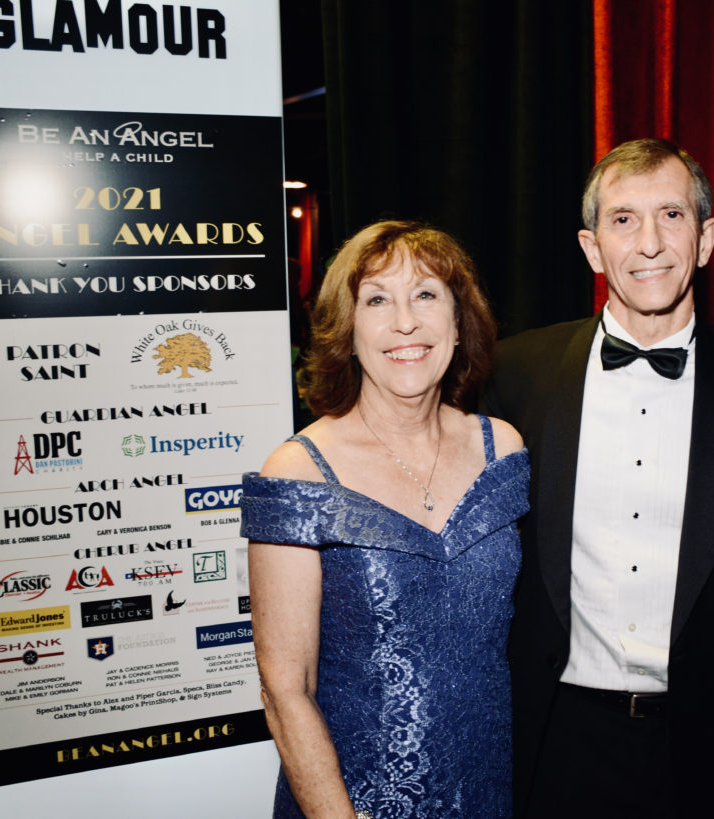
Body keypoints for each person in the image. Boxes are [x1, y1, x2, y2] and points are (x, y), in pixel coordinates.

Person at [482, 139, 714, 818]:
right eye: (623, 220)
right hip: (552, 746)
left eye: (671, 215)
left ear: (706, 239)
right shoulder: (514, 375)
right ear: (592, 248)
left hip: (712, 754)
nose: (649, 243)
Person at [241, 220, 528, 818]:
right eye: (377, 301)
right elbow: (286, 691)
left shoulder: (502, 449)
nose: (405, 323)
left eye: (425, 295)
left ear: (458, 322)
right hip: (354, 800)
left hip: (488, 789)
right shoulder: (300, 471)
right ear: (347, 331)